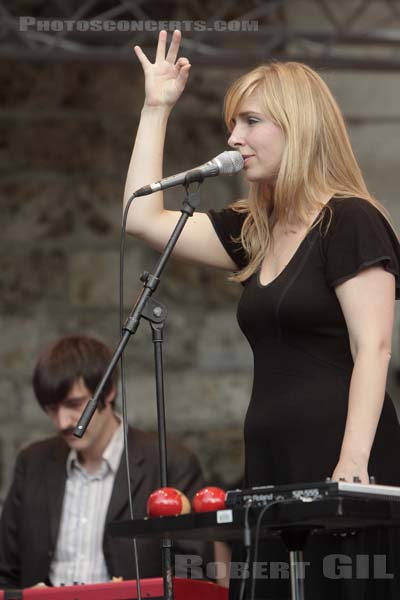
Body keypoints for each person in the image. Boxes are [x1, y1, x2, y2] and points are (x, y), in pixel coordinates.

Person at [123, 29, 400, 599]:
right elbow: (144, 220)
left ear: (296, 129)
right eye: (233, 124)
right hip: (271, 460)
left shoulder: (350, 221)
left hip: (341, 454)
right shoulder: (253, 229)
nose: (234, 137)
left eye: (250, 122)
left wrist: (353, 460)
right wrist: (155, 108)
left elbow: (372, 347)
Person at [0, 334, 212, 589]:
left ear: (109, 390)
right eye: (51, 409)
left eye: (74, 404)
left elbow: (193, 575)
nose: (63, 422)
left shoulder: (169, 462)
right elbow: (6, 570)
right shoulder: (32, 462)